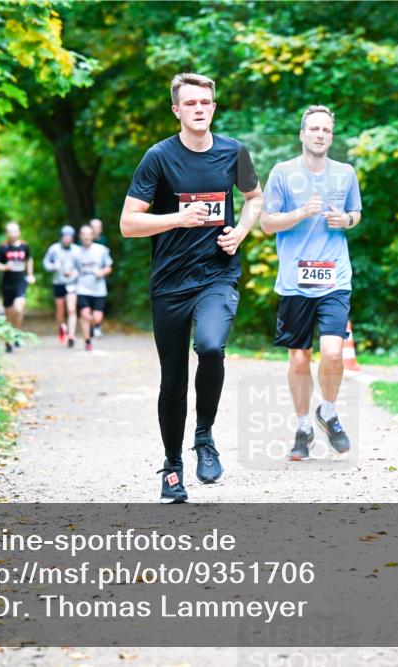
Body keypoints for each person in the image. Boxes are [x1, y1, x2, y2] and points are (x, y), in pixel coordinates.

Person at [120, 72, 262, 503]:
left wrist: (240, 233)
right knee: (173, 381)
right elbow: (128, 224)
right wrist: (177, 219)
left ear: (213, 108)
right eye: (191, 103)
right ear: (177, 110)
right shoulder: (158, 158)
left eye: (206, 102)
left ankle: (204, 437)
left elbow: (254, 198)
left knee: (212, 347)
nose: (200, 109)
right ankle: (172, 467)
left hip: (217, 275)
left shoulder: (233, 152)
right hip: (170, 284)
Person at [259, 105, 362, 460]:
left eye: (326, 130)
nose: (320, 134)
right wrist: (301, 213)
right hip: (295, 281)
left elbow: (356, 214)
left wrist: (345, 220)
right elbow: (267, 223)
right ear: (302, 134)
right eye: (314, 128)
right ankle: (303, 425)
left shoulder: (346, 173)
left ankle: (328, 412)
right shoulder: (283, 174)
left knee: (333, 352)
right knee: (299, 358)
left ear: (331, 136)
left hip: (335, 277)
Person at [0, 221, 35, 353]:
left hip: (20, 282)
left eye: (15, 231)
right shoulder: (2, 247)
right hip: (7, 284)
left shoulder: (24, 246)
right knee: (9, 314)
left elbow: (29, 259)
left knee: (19, 308)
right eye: (10, 231)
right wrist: (5, 267)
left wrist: (30, 274)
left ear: (19, 232)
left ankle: (17, 333)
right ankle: (8, 339)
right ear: (6, 233)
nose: (13, 234)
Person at [74, 224, 113, 352]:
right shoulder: (76, 251)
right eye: (83, 234)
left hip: (98, 289)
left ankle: (92, 328)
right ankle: (87, 341)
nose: (86, 237)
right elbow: (71, 268)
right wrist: (72, 272)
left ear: (93, 236)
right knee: (85, 314)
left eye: (88, 234)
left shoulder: (101, 250)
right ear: (80, 236)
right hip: (82, 288)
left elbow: (109, 267)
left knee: (97, 318)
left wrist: (102, 272)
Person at [43, 225, 80, 347]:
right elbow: (46, 263)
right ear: (61, 237)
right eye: (65, 237)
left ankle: (71, 335)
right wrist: (54, 266)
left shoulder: (77, 250)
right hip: (58, 282)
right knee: (60, 310)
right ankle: (62, 328)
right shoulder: (54, 249)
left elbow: (82, 267)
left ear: (73, 238)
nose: (67, 239)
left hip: (72, 283)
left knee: (71, 309)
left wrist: (76, 272)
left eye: (70, 237)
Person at [88, 218, 110, 338]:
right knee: (88, 302)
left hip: (101, 275)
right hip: (86, 277)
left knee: (99, 302)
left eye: (98, 227)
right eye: (94, 227)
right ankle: (90, 326)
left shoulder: (104, 240)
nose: (96, 229)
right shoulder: (84, 241)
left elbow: (107, 257)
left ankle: (97, 326)